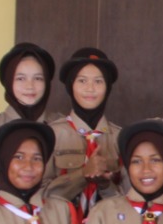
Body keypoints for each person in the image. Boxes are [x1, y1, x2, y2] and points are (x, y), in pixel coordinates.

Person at [0, 42, 58, 202]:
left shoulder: (62, 125)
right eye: (20, 78)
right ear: (8, 82)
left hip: (53, 213)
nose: (30, 86)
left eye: (38, 78)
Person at [48, 47, 122, 215]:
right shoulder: (51, 134)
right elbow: (41, 196)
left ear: (108, 87)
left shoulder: (120, 138)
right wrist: (82, 174)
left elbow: (130, 201)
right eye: (82, 81)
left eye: (98, 81)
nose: (90, 88)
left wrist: (106, 185)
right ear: (70, 86)